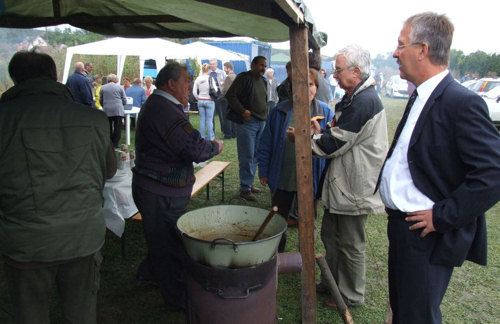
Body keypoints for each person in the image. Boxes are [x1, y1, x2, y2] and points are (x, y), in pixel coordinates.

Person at [377, 12, 500, 324]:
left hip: (426, 235)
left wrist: (443, 216)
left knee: (417, 316)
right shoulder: (421, 95)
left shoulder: (461, 102)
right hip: (404, 229)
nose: (394, 53)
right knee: (405, 313)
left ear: (423, 49)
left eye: (400, 45)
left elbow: (493, 172)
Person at [0, 51, 116, 324]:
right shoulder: (93, 119)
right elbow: (109, 170)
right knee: (81, 315)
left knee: (30, 315)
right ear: (54, 76)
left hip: (26, 240)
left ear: (15, 78)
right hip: (82, 235)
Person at [132, 62, 223, 311]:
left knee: (161, 239)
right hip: (160, 191)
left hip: (159, 188)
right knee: (170, 248)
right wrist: (215, 146)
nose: (189, 86)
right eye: (186, 81)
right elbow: (193, 148)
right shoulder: (164, 109)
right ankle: (177, 299)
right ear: (171, 84)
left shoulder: (162, 106)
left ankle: (149, 274)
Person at [310, 44, 388, 309]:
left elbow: (335, 143)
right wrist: (322, 133)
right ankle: (331, 283)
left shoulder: (365, 102)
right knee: (331, 236)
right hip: (342, 184)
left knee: (352, 244)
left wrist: (306, 139)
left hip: (355, 186)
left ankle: (351, 295)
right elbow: (337, 134)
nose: (334, 76)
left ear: (356, 71)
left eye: (338, 70)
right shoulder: (355, 97)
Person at [258, 68, 334, 251]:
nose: (307, 89)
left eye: (310, 84)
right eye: (301, 84)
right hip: (283, 175)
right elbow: (266, 142)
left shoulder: (325, 112)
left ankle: (305, 257)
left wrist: (320, 133)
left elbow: (332, 144)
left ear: (316, 87)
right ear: (292, 88)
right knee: (278, 219)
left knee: (307, 220)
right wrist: (264, 170)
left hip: (311, 178)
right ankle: (277, 255)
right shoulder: (280, 110)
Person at [226, 55, 268, 201]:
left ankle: (248, 185)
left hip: (261, 123)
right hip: (247, 123)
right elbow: (230, 96)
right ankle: (245, 189)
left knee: (256, 155)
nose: (263, 68)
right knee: (247, 156)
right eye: (261, 65)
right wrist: (242, 111)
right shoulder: (243, 78)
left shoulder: (263, 81)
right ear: (253, 65)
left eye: (265, 65)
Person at [100, 73, 128, 148]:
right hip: (117, 109)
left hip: (107, 109)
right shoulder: (119, 87)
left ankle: (109, 142)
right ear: (115, 80)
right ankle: (115, 143)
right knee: (117, 127)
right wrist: (123, 104)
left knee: (108, 127)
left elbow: (101, 99)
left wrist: (104, 105)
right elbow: (124, 99)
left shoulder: (103, 87)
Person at [192, 63, 216, 140]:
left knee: (202, 120)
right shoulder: (210, 78)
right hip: (209, 100)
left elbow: (194, 92)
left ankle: (202, 137)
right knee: (209, 120)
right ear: (208, 70)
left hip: (200, 100)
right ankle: (211, 138)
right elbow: (215, 89)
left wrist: (198, 98)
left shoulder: (198, 79)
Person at [209, 59, 230, 138]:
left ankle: (223, 130)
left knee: (222, 115)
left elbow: (226, 82)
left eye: (213, 64)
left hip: (220, 96)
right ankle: (212, 130)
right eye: (211, 64)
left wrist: (223, 85)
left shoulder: (222, 72)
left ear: (216, 65)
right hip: (211, 97)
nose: (212, 66)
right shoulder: (209, 73)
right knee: (211, 115)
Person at [221, 61, 237, 138]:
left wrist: (222, 96)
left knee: (227, 117)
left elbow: (226, 90)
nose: (224, 70)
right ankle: (234, 133)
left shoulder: (228, 77)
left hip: (228, 100)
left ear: (229, 68)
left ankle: (228, 134)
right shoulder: (236, 76)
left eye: (225, 68)